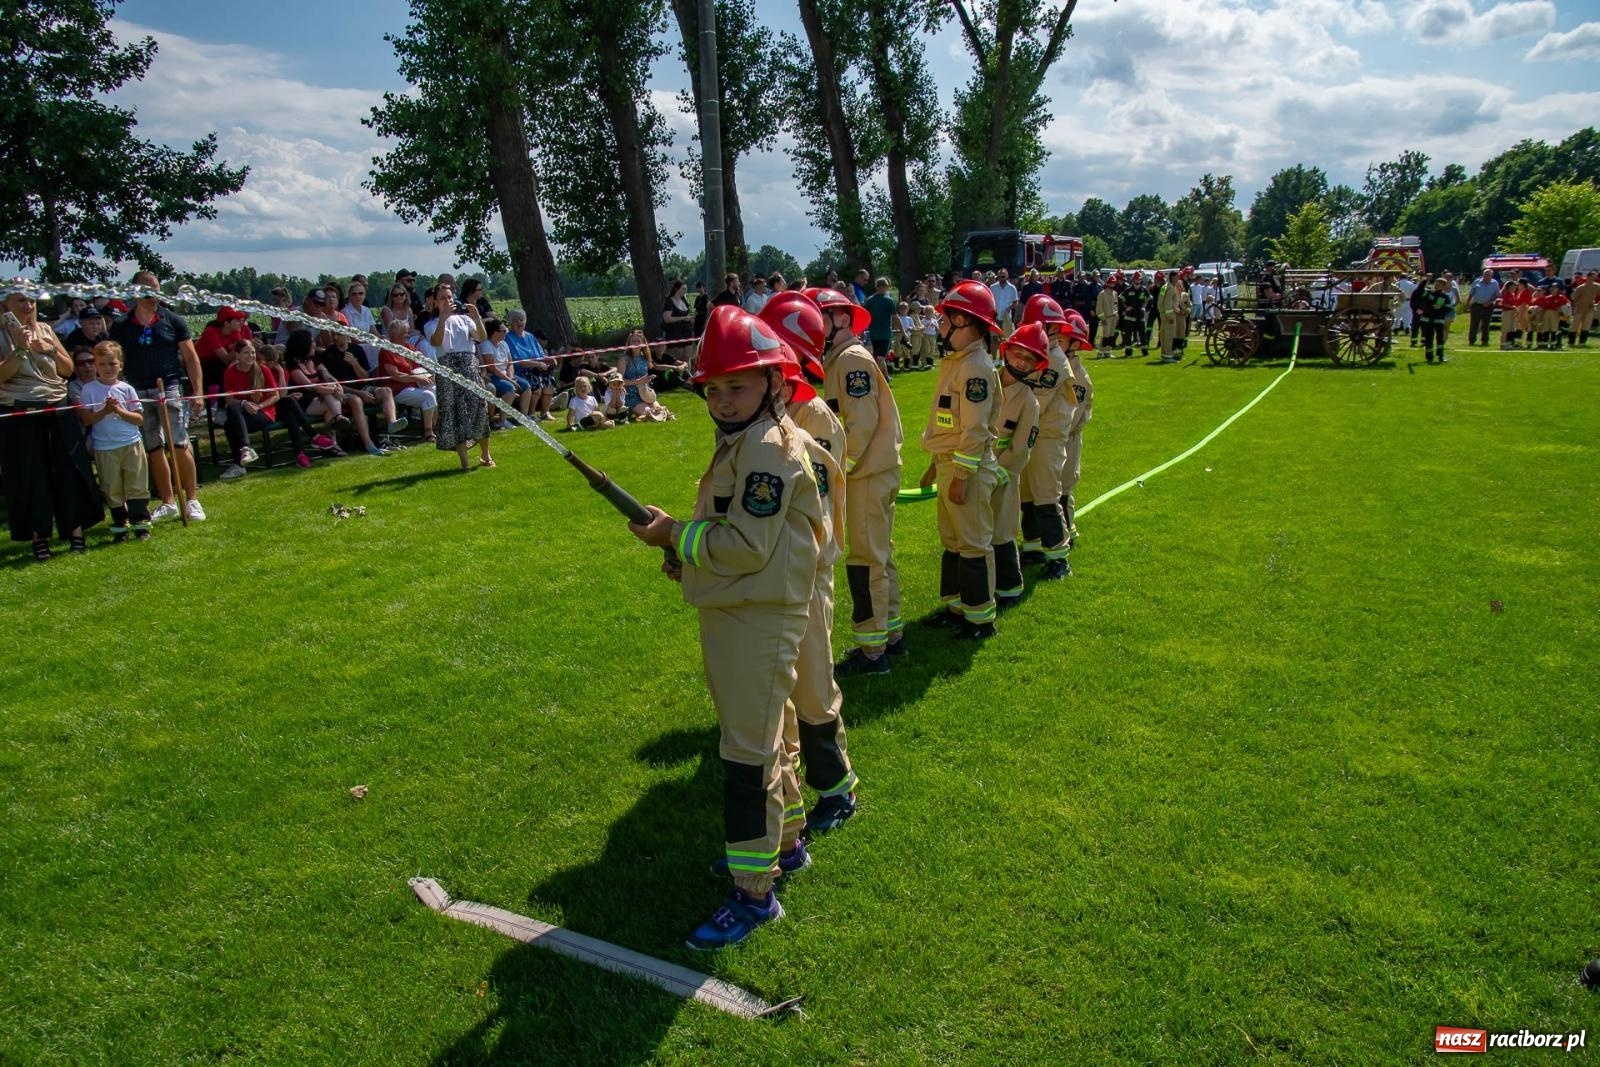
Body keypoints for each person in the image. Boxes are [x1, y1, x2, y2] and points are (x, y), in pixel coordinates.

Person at [625, 305, 825, 950]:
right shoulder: (746, 438)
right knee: (763, 737)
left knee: (747, 755)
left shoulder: (768, 446)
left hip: (759, 618)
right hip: (739, 610)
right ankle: (788, 843)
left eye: (736, 384)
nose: (722, 398)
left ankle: (754, 894)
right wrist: (682, 551)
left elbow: (743, 547)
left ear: (773, 380)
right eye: (713, 387)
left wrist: (676, 538)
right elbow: (733, 538)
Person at [813, 288, 905, 673]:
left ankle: (874, 651)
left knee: (866, 560)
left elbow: (860, 427)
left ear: (843, 320)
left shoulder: (850, 361)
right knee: (878, 555)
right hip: (871, 471)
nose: (816, 326)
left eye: (823, 318)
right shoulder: (841, 360)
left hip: (865, 473)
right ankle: (891, 635)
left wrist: (838, 471)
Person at [918, 279, 1002, 639]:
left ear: (965, 322)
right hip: (949, 463)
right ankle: (956, 607)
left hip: (965, 467)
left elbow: (975, 429)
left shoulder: (975, 368)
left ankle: (980, 619)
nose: (941, 324)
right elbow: (948, 423)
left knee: (972, 542)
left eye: (947, 317)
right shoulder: (958, 362)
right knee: (952, 541)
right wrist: (935, 464)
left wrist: (962, 476)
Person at [1, 285, 103, 558]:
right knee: (33, 474)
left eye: (32, 300)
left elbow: (68, 369)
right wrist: (20, 350)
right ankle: (39, 537)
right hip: (21, 411)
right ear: (6, 304)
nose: (28, 306)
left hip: (57, 406)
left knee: (69, 468)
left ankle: (76, 533)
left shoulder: (45, 330)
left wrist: (49, 348)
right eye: (21, 300)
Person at [108, 271, 205, 523]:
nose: (153, 297)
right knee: (153, 447)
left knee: (180, 444)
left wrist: (198, 392)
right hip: (138, 391)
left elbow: (191, 358)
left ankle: (192, 499)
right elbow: (115, 360)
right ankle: (168, 501)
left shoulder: (172, 320)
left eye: (156, 290)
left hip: (170, 387)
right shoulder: (121, 326)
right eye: (147, 291)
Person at [1016, 295, 1076, 580]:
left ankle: (1058, 556)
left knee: (1045, 494)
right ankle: (1032, 546)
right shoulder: (1039, 353)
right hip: (1030, 433)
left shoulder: (1054, 359)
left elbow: (1039, 399)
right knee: (1025, 492)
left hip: (1048, 435)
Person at [990, 324, 1046, 611]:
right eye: (1017, 354)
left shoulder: (1029, 401)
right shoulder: (987, 382)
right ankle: (980, 588)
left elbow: (1022, 446)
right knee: (975, 532)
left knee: (1001, 530)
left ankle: (1009, 588)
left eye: (1029, 359)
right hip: (974, 468)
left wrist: (1000, 471)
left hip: (1002, 475)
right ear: (1006, 351)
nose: (1021, 362)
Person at [218, 339, 331, 478]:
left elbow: (276, 395)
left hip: (264, 412)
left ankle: (241, 460)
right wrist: (244, 404)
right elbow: (228, 399)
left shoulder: (262, 369)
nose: (250, 356)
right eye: (246, 353)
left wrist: (259, 406)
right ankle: (245, 452)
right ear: (237, 355)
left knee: (231, 422)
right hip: (244, 413)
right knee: (231, 414)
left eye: (252, 352)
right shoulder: (230, 372)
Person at [77, 341, 151, 543]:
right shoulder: (89, 390)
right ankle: (121, 525)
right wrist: (104, 411)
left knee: (136, 485)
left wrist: (119, 410)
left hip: (131, 443)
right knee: (111, 488)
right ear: (95, 366)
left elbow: (139, 418)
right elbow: (86, 419)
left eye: (112, 364)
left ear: (120, 365)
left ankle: (141, 524)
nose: (107, 369)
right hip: (105, 447)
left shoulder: (127, 389)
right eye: (102, 364)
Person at [421, 280, 492, 470]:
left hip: (469, 366)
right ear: (435, 302)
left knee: (479, 407)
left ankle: (486, 455)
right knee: (455, 413)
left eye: (449, 297)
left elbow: (481, 337)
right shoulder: (431, 324)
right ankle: (465, 463)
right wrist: (443, 318)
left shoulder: (464, 319)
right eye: (442, 298)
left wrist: (477, 318)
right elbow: (436, 341)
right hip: (447, 370)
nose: (447, 300)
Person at [284, 331, 388, 457]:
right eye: (312, 342)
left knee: (331, 406)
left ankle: (334, 446)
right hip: (306, 402)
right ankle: (338, 419)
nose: (314, 344)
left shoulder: (314, 357)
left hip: (324, 400)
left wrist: (336, 384)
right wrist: (333, 389)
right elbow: (311, 387)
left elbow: (327, 375)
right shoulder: (292, 365)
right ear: (303, 345)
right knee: (330, 397)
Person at [1060, 311, 1095, 545]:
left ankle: (1067, 532)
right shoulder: (1060, 368)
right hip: (1053, 438)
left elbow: (1072, 416)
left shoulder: (1078, 378)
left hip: (1066, 439)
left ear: (1075, 344)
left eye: (1061, 340)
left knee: (1062, 488)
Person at [377, 329, 438, 440]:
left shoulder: (409, 347)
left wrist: (430, 375)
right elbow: (395, 375)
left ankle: (435, 426)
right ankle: (428, 432)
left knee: (436, 389)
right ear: (396, 334)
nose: (407, 335)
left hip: (413, 385)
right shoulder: (387, 351)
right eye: (405, 332)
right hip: (397, 388)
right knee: (428, 396)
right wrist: (416, 377)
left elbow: (419, 367)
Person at [194, 307, 255, 403]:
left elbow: (238, 353)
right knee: (225, 371)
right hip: (202, 364)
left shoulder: (235, 331)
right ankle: (223, 404)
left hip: (218, 362)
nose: (241, 322)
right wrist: (239, 347)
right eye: (237, 320)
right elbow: (226, 359)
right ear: (226, 323)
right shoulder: (211, 332)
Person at [505, 309, 556, 420]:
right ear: (510, 323)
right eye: (515, 321)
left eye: (521, 320)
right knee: (535, 381)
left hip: (537, 368)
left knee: (549, 382)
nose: (519, 323)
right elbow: (518, 362)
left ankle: (545, 412)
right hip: (520, 371)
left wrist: (550, 360)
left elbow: (541, 355)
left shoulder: (530, 337)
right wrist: (537, 364)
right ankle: (531, 413)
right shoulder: (508, 338)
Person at [479, 317, 531, 422]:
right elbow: (492, 368)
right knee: (510, 388)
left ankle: (524, 417)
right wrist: (510, 380)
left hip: (506, 375)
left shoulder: (504, 344)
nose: (505, 333)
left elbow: (510, 363)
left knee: (526, 386)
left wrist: (511, 376)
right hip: (494, 376)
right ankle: (503, 421)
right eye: (503, 331)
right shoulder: (486, 345)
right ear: (495, 333)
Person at [615, 329, 673, 422]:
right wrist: (638, 382)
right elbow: (618, 382)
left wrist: (648, 380)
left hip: (645, 393)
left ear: (643, 344)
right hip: (630, 395)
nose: (636, 343)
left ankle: (645, 414)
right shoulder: (624, 359)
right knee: (650, 413)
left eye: (638, 341)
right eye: (633, 341)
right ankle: (639, 413)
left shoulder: (645, 359)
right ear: (629, 343)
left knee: (660, 410)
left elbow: (645, 377)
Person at [863, 277, 897, 378]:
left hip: (879, 333)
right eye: (882, 287)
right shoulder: (884, 301)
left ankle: (884, 377)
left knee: (879, 358)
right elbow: (895, 317)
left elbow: (895, 317)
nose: (884, 289)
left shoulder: (872, 301)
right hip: (879, 333)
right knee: (879, 358)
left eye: (885, 287)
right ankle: (881, 377)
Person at [341, 280, 380, 368]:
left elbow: (373, 330)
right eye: (354, 294)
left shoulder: (367, 310)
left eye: (360, 293)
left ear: (364, 295)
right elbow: (352, 337)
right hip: (355, 346)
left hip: (368, 343)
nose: (357, 296)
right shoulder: (345, 312)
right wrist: (370, 342)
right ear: (349, 296)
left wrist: (382, 339)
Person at [661, 279, 695, 364]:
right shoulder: (669, 302)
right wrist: (682, 318)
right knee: (678, 359)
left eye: (686, 289)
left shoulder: (684, 300)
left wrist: (690, 319)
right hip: (676, 334)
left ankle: (688, 376)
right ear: (677, 289)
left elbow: (687, 314)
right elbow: (667, 319)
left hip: (687, 333)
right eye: (683, 289)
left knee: (687, 358)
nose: (685, 291)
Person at [1466, 269, 1500, 347]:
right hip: (1476, 305)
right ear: (1483, 275)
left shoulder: (1495, 283)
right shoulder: (1477, 282)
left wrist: (1489, 302)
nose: (1487, 277)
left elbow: (1497, 295)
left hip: (1488, 306)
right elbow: (1471, 294)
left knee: (1486, 325)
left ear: (1491, 275)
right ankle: (1472, 340)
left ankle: (1485, 341)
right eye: (1485, 275)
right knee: (1474, 324)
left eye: (1489, 275)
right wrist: (1467, 304)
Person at [1156, 271, 1181, 362]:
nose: (1178, 278)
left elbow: (1160, 302)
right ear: (1173, 277)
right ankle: (1168, 355)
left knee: (1163, 335)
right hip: (1168, 315)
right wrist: (1170, 316)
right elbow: (1167, 303)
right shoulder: (1170, 288)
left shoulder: (1164, 287)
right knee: (1168, 336)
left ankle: (1164, 354)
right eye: (1177, 276)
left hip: (1163, 314)